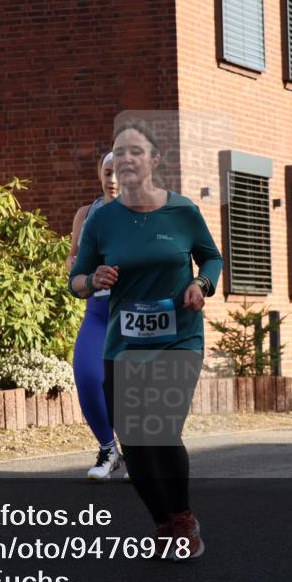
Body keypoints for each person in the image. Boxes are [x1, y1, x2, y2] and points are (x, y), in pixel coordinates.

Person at [69, 122, 223, 558]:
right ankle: (163, 521)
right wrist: (91, 278)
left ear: (155, 160)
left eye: (136, 151)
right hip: (125, 343)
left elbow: (211, 257)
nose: (126, 159)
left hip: (179, 339)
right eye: (119, 153)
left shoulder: (183, 212)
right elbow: (76, 279)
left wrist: (202, 285)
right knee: (134, 441)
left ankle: (183, 518)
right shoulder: (102, 220)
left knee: (160, 429)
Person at [66, 152, 124, 480]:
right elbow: (74, 256)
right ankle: (108, 448)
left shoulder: (142, 213)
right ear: (99, 174)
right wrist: (75, 269)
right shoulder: (86, 214)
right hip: (98, 309)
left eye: (119, 173)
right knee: (88, 376)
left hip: (132, 311)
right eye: (107, 171)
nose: (112, 179)